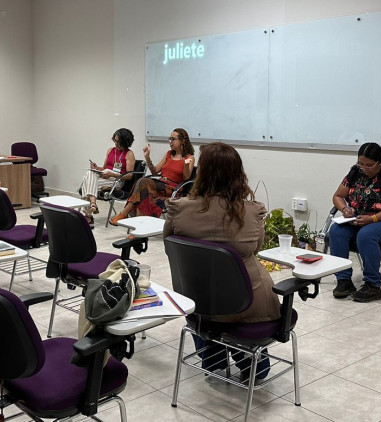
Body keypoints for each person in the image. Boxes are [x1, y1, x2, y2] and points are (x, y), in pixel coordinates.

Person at [162, 142, 279, 381]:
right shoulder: (252, 212)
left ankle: (213, 353)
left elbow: (171, 248)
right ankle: (242, 354)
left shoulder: (179, 210)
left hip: (199, 303)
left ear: (201, 172)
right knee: (259, 373)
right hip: (248, 306)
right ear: (238, 174)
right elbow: (256, 249)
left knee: (206, 317)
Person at [329, 142, 381, 302]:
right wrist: (345, 209)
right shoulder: (355, 172)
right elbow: (338, 196)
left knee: (367, 234)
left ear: (379, 162)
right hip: (361, 219)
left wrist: (373, 219)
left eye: (369, 165)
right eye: (361, 164)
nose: (364, 168)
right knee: (336, 231)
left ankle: (373, 285)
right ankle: (344, 281)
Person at [109, 128, 195, 224]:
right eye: (169, 139)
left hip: (173, 189)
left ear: (182, 141)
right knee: (143, 192)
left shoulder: (190, 158)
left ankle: (125, 214)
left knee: (143, 182)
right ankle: (138, 225)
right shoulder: (168, 154)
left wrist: (186, 165)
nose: (170, 141)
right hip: (160, 186)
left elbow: (186, 177)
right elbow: (155, 171)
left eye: (173, 139)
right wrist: (147, 157)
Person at [79, 128, 136, 225]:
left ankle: (89, 214)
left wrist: (112, 174)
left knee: (87, 183)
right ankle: (93, 205)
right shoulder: (110, 150)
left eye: (118, 141)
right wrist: (97, 168)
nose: (115, 143)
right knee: (90, 173)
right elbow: (104, 168)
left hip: (117, 180)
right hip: (105, 176)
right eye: (114, 140)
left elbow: (129, 175)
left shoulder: (129, 154)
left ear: (125, 142)